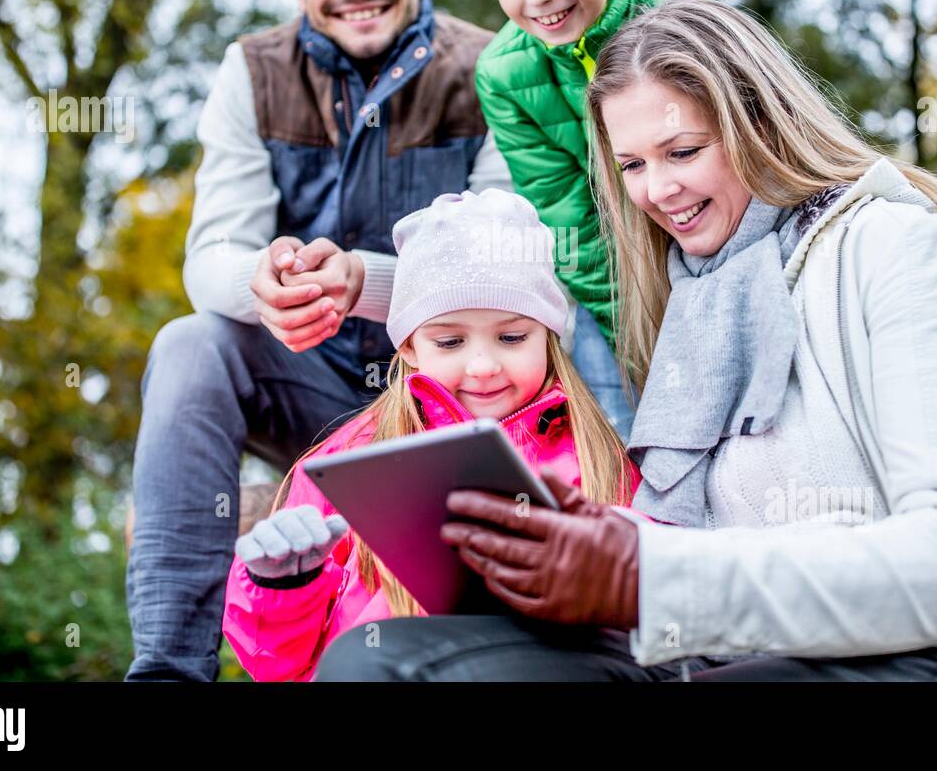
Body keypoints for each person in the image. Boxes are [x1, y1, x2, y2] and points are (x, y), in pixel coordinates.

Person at [312, 0, 937, 682]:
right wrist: (367, 285)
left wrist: (647, 574)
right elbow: (510, 285)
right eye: (633, 165)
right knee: (385, 665)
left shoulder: (895, 249)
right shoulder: (692, 296)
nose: (658, 190)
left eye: (682, 150)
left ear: (758, 122)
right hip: (709, 644)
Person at [125, 0, 510, 681]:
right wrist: (266, 283)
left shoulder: (490, 70)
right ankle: (166, 670)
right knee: (191, 343)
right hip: (316, 396)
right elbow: (212, 258)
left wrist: (362, 283)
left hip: (449, 406)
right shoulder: (251, 74)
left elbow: (506, 268)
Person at [222, 189, 642, 680]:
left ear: (548, 336)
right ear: (409, 346)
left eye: (512, 337)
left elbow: (641, 617)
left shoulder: (596, 459)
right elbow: (279, 664)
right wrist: (284, 585)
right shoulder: (355, 457)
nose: (483, 366)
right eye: (450, 341)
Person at [469, 0, 701, 440]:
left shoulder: (689, 24)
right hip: (614, 286)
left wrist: (698, 306)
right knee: (629, 435)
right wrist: (640, 326)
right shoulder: (503, 73)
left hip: (714, 254)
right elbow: (564, 215)